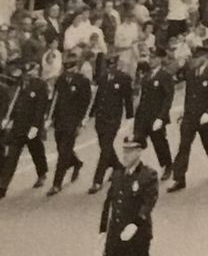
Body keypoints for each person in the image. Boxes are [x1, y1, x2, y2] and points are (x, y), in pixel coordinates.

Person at [168, 46, 208, 192]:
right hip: (191, 116)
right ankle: (179, 178)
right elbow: (188, 95)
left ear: (204, 58)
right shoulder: (191, 74)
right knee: (184, 145)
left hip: (205, 116)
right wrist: (184, 113)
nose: (194, 61)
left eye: (197, 58)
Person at [0, 59, 49, 199]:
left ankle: (42, 173)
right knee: (12, 157)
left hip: (31, 127)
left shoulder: (40, 85)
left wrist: (35, 126)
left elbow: (40, 108)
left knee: (36, 152)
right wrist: (7, 119)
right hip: (19, 126)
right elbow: (15, 104)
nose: (26, 76)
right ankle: (3, 186)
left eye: (28, 73)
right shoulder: (20, 85)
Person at [47, 51, 92, 196]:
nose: (68, 71)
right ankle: (76, 162)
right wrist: (50, 118)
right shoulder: (60, 80)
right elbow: (55, 100)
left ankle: (56, 184)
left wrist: (81, 121)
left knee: (64, 151)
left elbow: (85, 103)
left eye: (70, 67)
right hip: (60, 120)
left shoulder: (82, 81)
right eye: (66, 67)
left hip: (73, 121)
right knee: (61, 148)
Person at [89, 52, 134, 194]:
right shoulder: (102, 78)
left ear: (117, 65)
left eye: (112, 66)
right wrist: (90, 114)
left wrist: (130, 117)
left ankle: (97, 180)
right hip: (101, 118)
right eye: (107, 66)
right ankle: (118, 167)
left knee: (106, 148)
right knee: (104, 146)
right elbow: (98, 98)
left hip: (113, 118)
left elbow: (128, 99)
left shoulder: (123, 79)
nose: (109, 69)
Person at [133, 48, 174, 181]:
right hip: (143, 116)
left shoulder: (165, 76)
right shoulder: (146, 76)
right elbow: (142, 97)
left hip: (156, 117)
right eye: (150, 58)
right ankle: (134, 168)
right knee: (136, 142)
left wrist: (161, 118)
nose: (151, 61)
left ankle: (167, 165)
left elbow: (168, 99)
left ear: (160, 59)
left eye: (154, 58)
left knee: (159, 143)